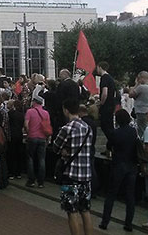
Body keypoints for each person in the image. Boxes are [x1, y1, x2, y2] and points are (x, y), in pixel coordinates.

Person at [52, 99, 93, 235]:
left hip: (71, 175)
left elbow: (55, 148)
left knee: (72, 212)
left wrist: (65, 151)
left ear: (66, 110)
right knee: (85, 210)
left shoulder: (67, 128)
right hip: (86, 175)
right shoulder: (88, 128)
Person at [99, 109, 137, 231]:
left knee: (111, 194)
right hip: (131, 165)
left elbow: (109, 146)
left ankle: (105, 222)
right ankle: (128, 224)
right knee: (130, 196)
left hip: (118, 165)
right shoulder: (133, 131)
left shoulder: (115, 133)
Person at [24, 96, 50, 188]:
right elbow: (48, 126)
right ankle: (41, 182)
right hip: (42, 138)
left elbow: (26, 125)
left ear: (34, 102)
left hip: (32, 137)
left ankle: (31, 181)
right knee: (42, 159)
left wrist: (28, 133)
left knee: (30, 158)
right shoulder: (46, 113)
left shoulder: (29, 112)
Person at [97, 61, 117, 154]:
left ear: (100, 67)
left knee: (105, 126)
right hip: (111, 104)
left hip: (106, 106)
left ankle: (113, 144)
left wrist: (101, 103)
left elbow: (105, 92)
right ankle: (110, 147)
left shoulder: (104, 78)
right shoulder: (110, 78)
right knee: (109, 126)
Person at [129, 71, 148, 137]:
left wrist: (136, 84)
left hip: (142, 111)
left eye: (139, 78)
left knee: (142, 130)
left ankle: (143, 144)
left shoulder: (142, 87)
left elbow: (131, 94)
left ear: (142, 78)